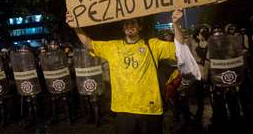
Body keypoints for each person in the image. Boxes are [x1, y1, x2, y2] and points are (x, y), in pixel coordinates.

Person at [66, 10, 200, 134]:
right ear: (123, 28)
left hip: (150, 110)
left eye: (133, 22)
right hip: (123, 111)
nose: (129, 26)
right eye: (126, 23)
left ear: (139, 27)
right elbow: (89, 44)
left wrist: (176, 24)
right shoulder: (113, 47)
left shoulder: (152, 45)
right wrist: (75, 27)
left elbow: (180, 47)